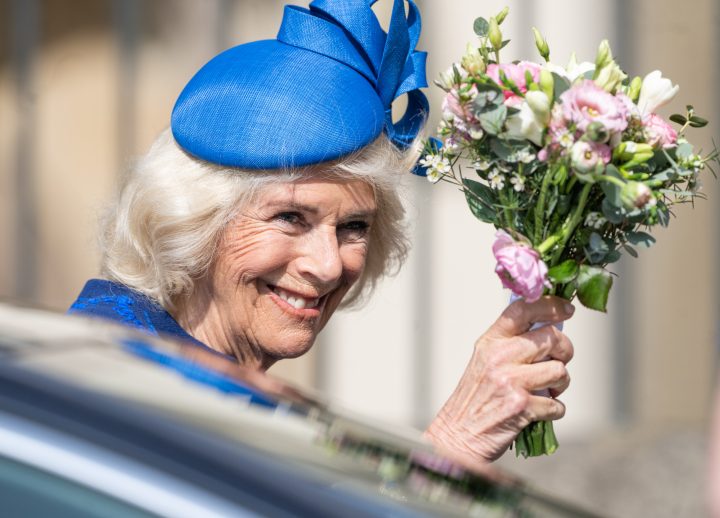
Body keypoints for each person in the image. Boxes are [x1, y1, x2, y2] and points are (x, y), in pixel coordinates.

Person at [69, 0, 574, 464]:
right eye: (290, 218)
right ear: (192, 221)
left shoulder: (207, 379)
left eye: (354, 227)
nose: (330, 264)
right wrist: (450, 445)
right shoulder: (118, 386)